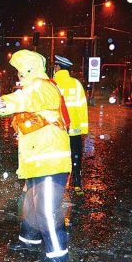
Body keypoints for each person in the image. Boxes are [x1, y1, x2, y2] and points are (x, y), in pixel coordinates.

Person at [0, 50, 72, 262]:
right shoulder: (32, 89)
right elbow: (21, 107)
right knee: (30, 204)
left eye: (20, 71)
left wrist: (2, 102)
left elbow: (23, 100)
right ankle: (29, 241)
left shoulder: (43, 87)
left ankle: (58, 255)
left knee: (47, 209)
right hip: (36, 161)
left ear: (29, 70)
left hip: (50, 160)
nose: (18, 76)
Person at [53, 55, 89, 194]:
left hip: (57, 129)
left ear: (58, 67)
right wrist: (83, 129)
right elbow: (82, 107)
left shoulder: (52, 84)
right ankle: (76, 183)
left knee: (57, 156)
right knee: (75, 156)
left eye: (55, 66)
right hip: (74, 129)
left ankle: (57, 184)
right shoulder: (76, 84)